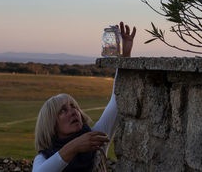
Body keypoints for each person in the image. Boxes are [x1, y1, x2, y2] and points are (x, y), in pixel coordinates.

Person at [32, 22, 136, 172]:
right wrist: (74, 146)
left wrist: (124, 58)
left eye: (74, 106)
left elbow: (116, 101)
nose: (73, 112)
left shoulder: (94, 141)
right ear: (51, 125)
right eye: (63, 110)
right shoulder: (44, 158)